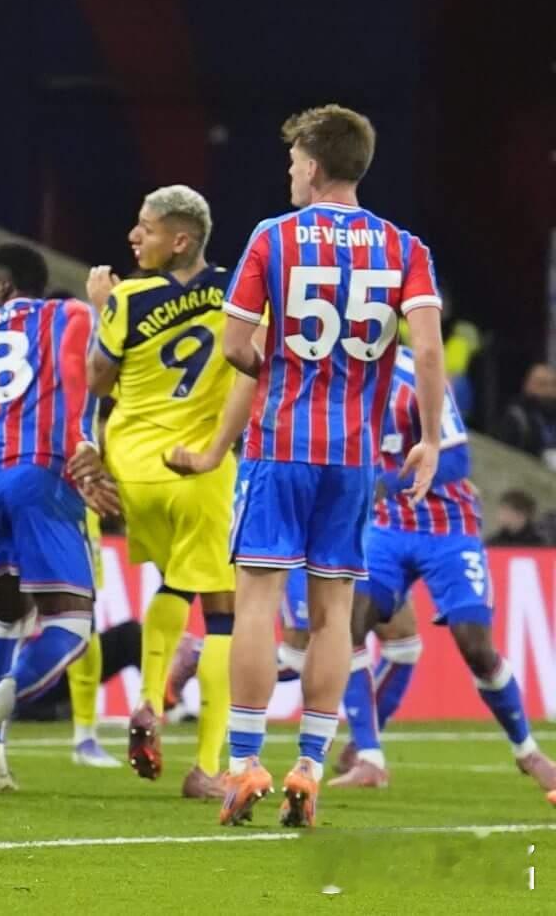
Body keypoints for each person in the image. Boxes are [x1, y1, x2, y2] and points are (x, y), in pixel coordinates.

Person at [188, 104, 446, 829]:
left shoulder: (274, 236)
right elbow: (428, 350)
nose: (290, 171)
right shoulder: (404, 246)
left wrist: (279, 370)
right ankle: (308, 765)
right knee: (335, 613)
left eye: (294, 160)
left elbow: (234, 346)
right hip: (355, 456)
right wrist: (428, 438)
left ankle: (245, 762)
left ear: (313, 164)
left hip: (280, 445)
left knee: (258, 602)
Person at [330, 345, 556, 798]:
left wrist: (383, 483)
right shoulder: (335, 377)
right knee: (349, 625)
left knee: (475, 646)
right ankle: (369, 757)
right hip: (388, 527)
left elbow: (455, 461)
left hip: (448, 528)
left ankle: (527, 750)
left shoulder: (416, 374)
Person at [79, 185, 238, 798]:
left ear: (179, 239)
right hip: (198, 468)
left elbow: (99, 379)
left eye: (144, 228)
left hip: (134, 471)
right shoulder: (236, 291)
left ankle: (147, 696)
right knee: (223, 612)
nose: (133, 236)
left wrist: (103, 308)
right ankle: (207, 767)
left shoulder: (127, 298)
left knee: (174, 582)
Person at [0, 244, 99, 796]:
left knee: (8, 621)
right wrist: (84, 444)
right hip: (40, 474)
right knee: (72, 623)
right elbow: (86, 376)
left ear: (8, 285)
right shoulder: (70, 315)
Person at [495, 364, 556, 466]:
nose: (549, 390)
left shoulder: (552, 416)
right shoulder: (517, 418)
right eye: (542, 384)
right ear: (528, 385)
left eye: (553, 385)